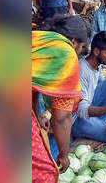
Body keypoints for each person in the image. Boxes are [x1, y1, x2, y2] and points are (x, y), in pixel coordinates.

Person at [32, 15, 89, 182]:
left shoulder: (38, 38)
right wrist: (64, 155)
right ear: (73, 41)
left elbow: (31, 90)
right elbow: (62, 118)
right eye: (81, 47)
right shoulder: (65, 53)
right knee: (45, 173)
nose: (79, 54)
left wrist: (35, 118)